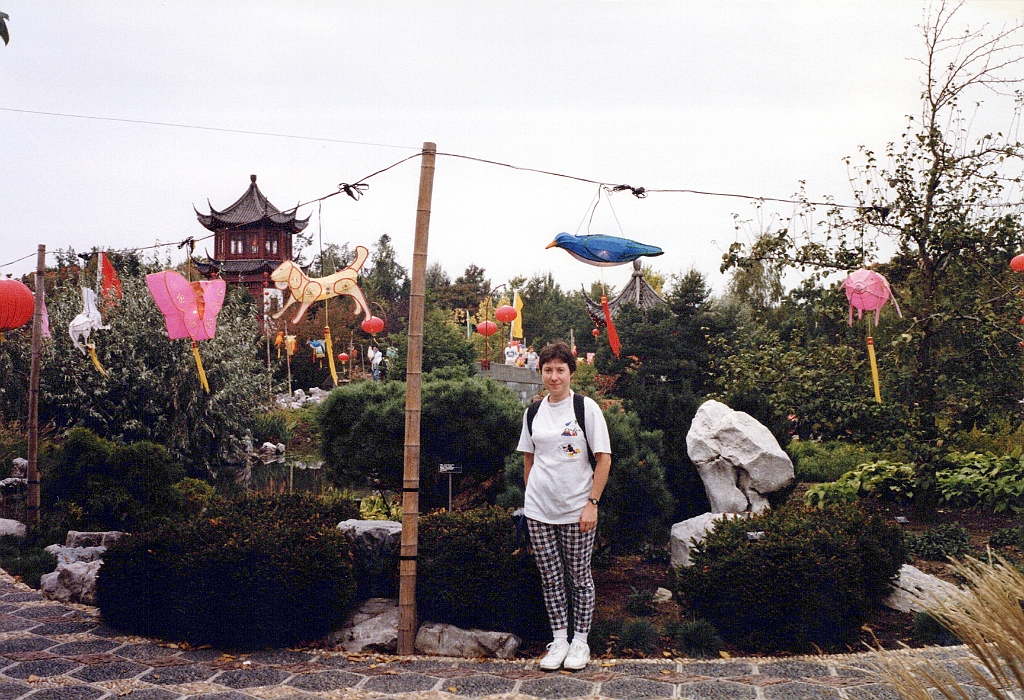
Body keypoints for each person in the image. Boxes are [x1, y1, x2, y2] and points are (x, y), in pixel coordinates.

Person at [517, 341, 611, 672]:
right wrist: (533, 499)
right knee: (550, 577)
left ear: (571, 372)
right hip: (539, 512)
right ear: (540, 372)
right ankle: (559, 640)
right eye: (548, 370)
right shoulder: (533, 412)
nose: (554, 376)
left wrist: (592, 504)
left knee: (579, 576)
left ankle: (580, 642)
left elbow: (604, 460)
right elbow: (529, 460)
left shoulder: (586, 409)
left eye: (560, 369)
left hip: (578, 510)